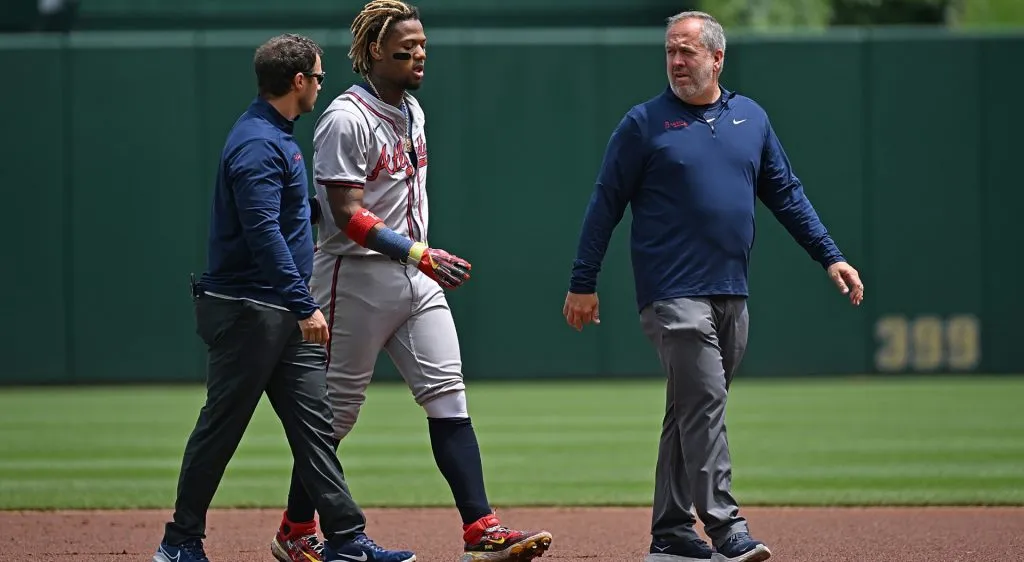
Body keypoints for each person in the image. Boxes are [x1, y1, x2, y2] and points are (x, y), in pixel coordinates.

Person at [562, 11, 864, 562]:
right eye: (670, 52)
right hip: (671, 292)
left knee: (689, 409)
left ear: (717, 58)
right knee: (705, 403)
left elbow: (787, 194)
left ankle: (671, 534)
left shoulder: (750, 117)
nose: (677, 61)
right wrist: (583, 281)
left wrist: (831, 256)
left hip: (731, 288)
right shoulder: (643, 123)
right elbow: (604, 204)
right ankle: (727, 528)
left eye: (688, 52)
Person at [267, 3, 555, 562]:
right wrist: (418, 251)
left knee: (448, 396)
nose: (419, 53)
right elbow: (347, 212)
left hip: (415, 278)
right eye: (407, 45)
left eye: (423, 44)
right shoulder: (345, 118)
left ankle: (482, 531)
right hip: (352, 277)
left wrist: (418, 258)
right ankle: (296, 529)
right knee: (335, 415)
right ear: (376, 49)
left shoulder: (414, 111)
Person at [152, 33, 416, 562]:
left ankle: (345, 539)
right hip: (249, 309)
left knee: (314, 429)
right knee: (221, 427)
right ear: (298, 81)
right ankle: (179, 543)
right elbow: (262, 232)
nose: (321, 85)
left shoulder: (277, 136)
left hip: (277, 312)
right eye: (318, 77)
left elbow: (293, 218)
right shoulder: (256, 143)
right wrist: (304, 304)